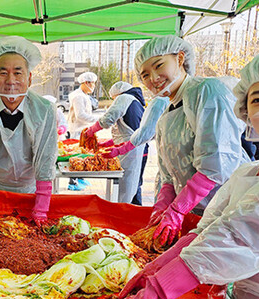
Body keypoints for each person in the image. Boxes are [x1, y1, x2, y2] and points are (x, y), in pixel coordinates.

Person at [106, 49, 259, 299]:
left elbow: (238, 234)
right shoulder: (249, 174)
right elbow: (206, 230)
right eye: (257, 100)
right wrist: (154, 268)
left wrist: (160, 287)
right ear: (246, 112)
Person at [105, 35, 248, 247]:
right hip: (196, 213)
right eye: (145, 74)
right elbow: (168, 176)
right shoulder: (166, 115)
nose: (153, 78)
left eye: (159, 65)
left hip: (228, 211)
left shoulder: (206, 92)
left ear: (180, 59)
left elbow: (216, 166)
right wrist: (161, 209)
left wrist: (177, 209)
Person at [0, 36, 57, 229]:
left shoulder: (44, 109)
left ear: (29, 78)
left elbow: (45, 157)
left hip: (33, 189)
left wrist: (41, 208)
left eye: (18, 73)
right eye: (2, 73)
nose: (10, 81)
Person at [84, 81, 147, 204]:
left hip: (131, 152)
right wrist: (107, 144)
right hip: (138, 149)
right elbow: (127, 132)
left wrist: (91, 131)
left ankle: (126, 215)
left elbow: (109, 118)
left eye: (114, 100)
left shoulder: (124, 98)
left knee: (127, 188)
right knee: (135, 185)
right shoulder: (135, 101)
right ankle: (135, 213)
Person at [66, 71, 98, 191]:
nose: (93, 86)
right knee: (76, 155)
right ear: (85, 83)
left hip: (83, 129)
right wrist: (97, 120)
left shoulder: (84, 95)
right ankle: (73, 181)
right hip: (77, 130)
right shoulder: (78, 96)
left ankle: (80, 178)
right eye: (92, 83)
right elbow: (80, 115)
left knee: (83, 155)